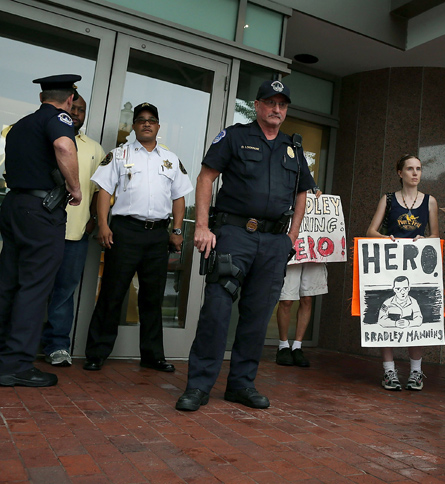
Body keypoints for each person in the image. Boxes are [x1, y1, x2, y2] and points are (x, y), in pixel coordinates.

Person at [175, 79, 316, 412]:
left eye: (282, 104)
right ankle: (198, 386)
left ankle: (241, 385)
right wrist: (204, 227)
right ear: (257, 105)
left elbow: (301, 194)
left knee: (257, 317)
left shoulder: (292, 148)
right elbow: (206, 177)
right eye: (271, 102)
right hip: (234, 236)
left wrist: (291, 239)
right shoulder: (235, 136)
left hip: (273, 243)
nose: (276, 109)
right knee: (217, 312)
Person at [83, 102, 192, 372]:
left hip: (157, 236)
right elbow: (104, 191)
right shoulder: (119, 155)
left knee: (152, 298)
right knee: (112, 293)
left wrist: (177, 230)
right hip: (125, 232)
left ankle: (153, 356)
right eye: (140, 120)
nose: (146, 123)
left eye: (151, 120)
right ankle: (96, 354)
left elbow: (179, 197)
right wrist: (104, 225)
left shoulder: (170, 159)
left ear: (158, 126)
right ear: (133, 125)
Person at [0, 74, 82, 387]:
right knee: (34, 288)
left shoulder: (21, 125)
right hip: (41, 213)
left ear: (41, 97)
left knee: (8, 282)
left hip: (15, 206)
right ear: (70, 99)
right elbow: (63, 145)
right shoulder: (60, 117)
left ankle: (3, 355)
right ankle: (17, 364)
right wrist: (75, 188)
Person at [42, 93, 105, 367]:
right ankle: (18, 343)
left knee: (64, 292)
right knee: (31, 287)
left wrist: (93, 216)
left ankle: (57, 347)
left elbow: (100, 189)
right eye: (74, 108)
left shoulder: (95, 148)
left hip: (76, 233)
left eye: (81, 110)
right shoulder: (47, 137)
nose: (77, 113)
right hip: (42, 230)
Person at [366, 154, 439, 391]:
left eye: (418, 168)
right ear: (400, 173)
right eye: (410, 169)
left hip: (416, 267)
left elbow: (435, 236)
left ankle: (416, 373)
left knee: (417, 320)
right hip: (390, 265)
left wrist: (423, 239)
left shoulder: (430, 201)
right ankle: (389, 372)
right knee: (385, 317)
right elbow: (371, 232)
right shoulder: (388, 200)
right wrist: (387, 238)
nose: (415, 173)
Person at [276, 261, 327, 368]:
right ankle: (283, 345)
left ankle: (297, 346)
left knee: (307, 298)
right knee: (287, 299)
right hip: (293, 252)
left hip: (312, 252)